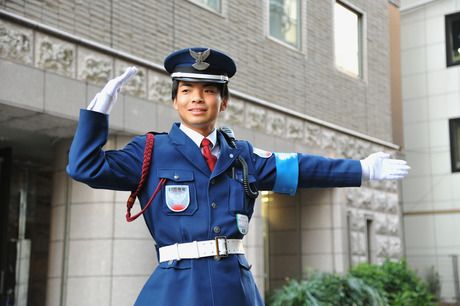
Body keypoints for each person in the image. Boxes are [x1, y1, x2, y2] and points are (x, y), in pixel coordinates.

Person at [66, 47, 409, 306]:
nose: (197, 98)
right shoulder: (151, 150)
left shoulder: (241, 155)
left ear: (224, 101)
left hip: (235, 286)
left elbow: (299, 167)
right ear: (175, 101)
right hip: (176, 289)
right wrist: (98, 112)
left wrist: (362, 168)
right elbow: (85, 167)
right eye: (186, 90)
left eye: (208, 90)